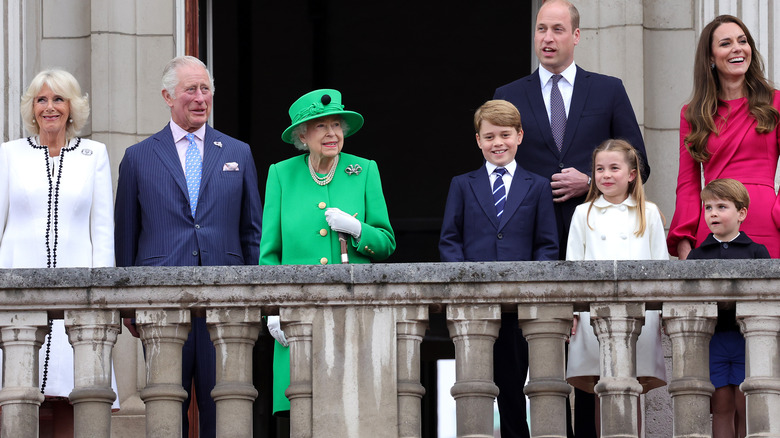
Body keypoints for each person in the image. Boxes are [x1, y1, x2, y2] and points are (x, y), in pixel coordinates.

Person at [492, 1, 650, 434]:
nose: (547, 38)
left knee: (586, 358)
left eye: (558, 29)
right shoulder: (508, 94)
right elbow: (498, 163)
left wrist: (591, 183)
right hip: (526, 242)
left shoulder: (608, 90)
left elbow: (641, 162)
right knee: (521, 354)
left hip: (593, 241)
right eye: (541, 29)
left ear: (576, 36)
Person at [114, 55, 263, 437]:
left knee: (226, 410)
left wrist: (256, 297)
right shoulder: (137, 158)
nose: (200, 98)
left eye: (206, 89)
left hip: (226, 306)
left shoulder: (237, 153)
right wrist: (128, 307)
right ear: (167, 96)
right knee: (166, 411)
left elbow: (252, 232)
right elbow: (126, 235)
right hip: (160, 306)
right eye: (191, 90)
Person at [260, 89, 395, 416]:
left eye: (337, 125)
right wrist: (273, 310)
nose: (332, 133)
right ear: (302, 135)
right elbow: (269, 255)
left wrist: (358, 230)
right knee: (304, 410)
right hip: (300, 317)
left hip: (353, 315)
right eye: (321, 126)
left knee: (354, 412)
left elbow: (386, 242)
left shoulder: (364, 170)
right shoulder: (281, 175)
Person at [0, 69, 117, 431]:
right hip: (17, 290)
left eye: (58, 99)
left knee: (74, 392)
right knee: (17, 393)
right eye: (42, 99)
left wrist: (104, 297)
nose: (50, 107)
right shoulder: (9, 154)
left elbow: (102, 230)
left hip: (77, 293)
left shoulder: (93, 154)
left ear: (72, 107)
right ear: (32, 108)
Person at [439, 99, 558, 437]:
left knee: (513, 385)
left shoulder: (537, 185)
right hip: (475, 306)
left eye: (505, 134)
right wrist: (464, 286)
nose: (498, 143)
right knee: (474, 385)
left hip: (518, 309)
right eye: (489, 136)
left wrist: (533, 292)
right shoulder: (462, 184)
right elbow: (450, 240)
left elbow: (547, 245)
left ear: (519, 136)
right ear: (478, 140)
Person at [565, 139, 667, 436]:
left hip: (641, 314)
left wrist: (659, 312)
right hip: (593, 314)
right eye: (599, 169)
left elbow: (661, 266)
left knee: (631, 384)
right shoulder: (583, 214)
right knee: (602, 385)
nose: (606, 175)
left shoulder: (648, 213)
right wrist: (573, 311)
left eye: (614, 168)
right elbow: (573, 265)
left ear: (632, 174)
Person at [667, 15, 780, 260]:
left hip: (766, 221)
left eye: (742, 41)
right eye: (726, 43)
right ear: (710, 57)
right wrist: (685, 237)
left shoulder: (776, 102)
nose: (737, 48)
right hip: (715, 224)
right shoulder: (693, 113)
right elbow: (688, 183)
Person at [687, 179, 769, 438]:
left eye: (721, 206)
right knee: (721, 406)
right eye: (708, 207)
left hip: (749, 340)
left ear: (741, 213)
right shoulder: (697, 256)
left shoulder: (757, 252)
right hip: (713, 342)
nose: (712, 213)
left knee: (746, 406)